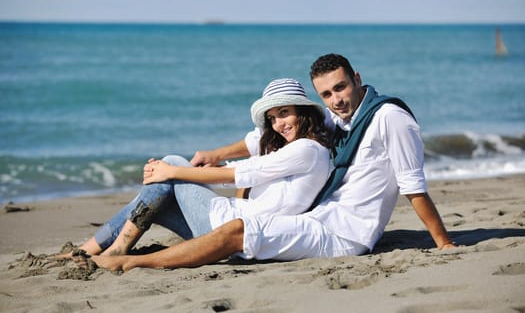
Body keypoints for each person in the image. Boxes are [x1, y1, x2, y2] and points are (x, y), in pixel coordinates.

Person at [87, 53, 456, 272]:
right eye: (327, 93)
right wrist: (215, 154)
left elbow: (412, 186)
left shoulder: (388, 117)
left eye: (341, 87)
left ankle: (128, 261)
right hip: (318, 216)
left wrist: (443, 245)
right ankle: (96, 248)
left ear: (357, 79)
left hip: (344, 233)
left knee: (236, 230)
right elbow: (261, 139)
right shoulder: (338, 120)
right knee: (169, 197)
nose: (336, 99)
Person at [63, 78, 331, 258]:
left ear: (304, 112)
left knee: (173, 162)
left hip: (231, 231)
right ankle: (89, 250)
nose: (278, 124)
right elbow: (249, 157)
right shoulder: (295, 148)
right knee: (155, 196)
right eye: (272, 118)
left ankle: (108, 248)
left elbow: (239, 174)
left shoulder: (307, 149)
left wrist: (171, 172)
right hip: (226, 227)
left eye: (284, 113)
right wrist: (192, 166)